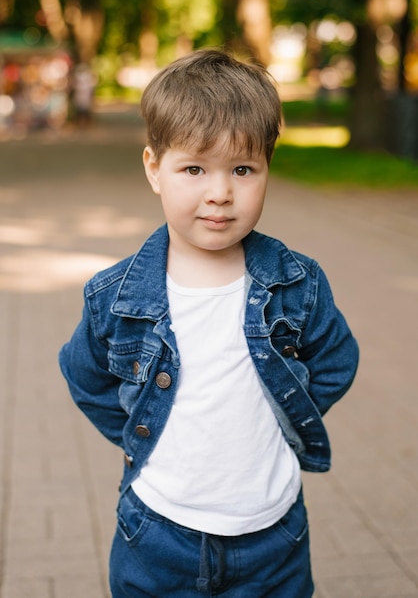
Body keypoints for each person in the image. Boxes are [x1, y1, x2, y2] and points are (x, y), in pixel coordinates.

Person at [59, 49, 359, 597]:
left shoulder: (297, 284)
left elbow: (336, 360)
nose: (219, 192)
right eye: (194, 169)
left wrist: (282, 416)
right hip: (157, 531)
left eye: (242, 170)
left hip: (274, 536)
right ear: (155, 168)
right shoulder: (115, 297)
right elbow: (86, 376)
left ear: (267, 168)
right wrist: (145, 434)